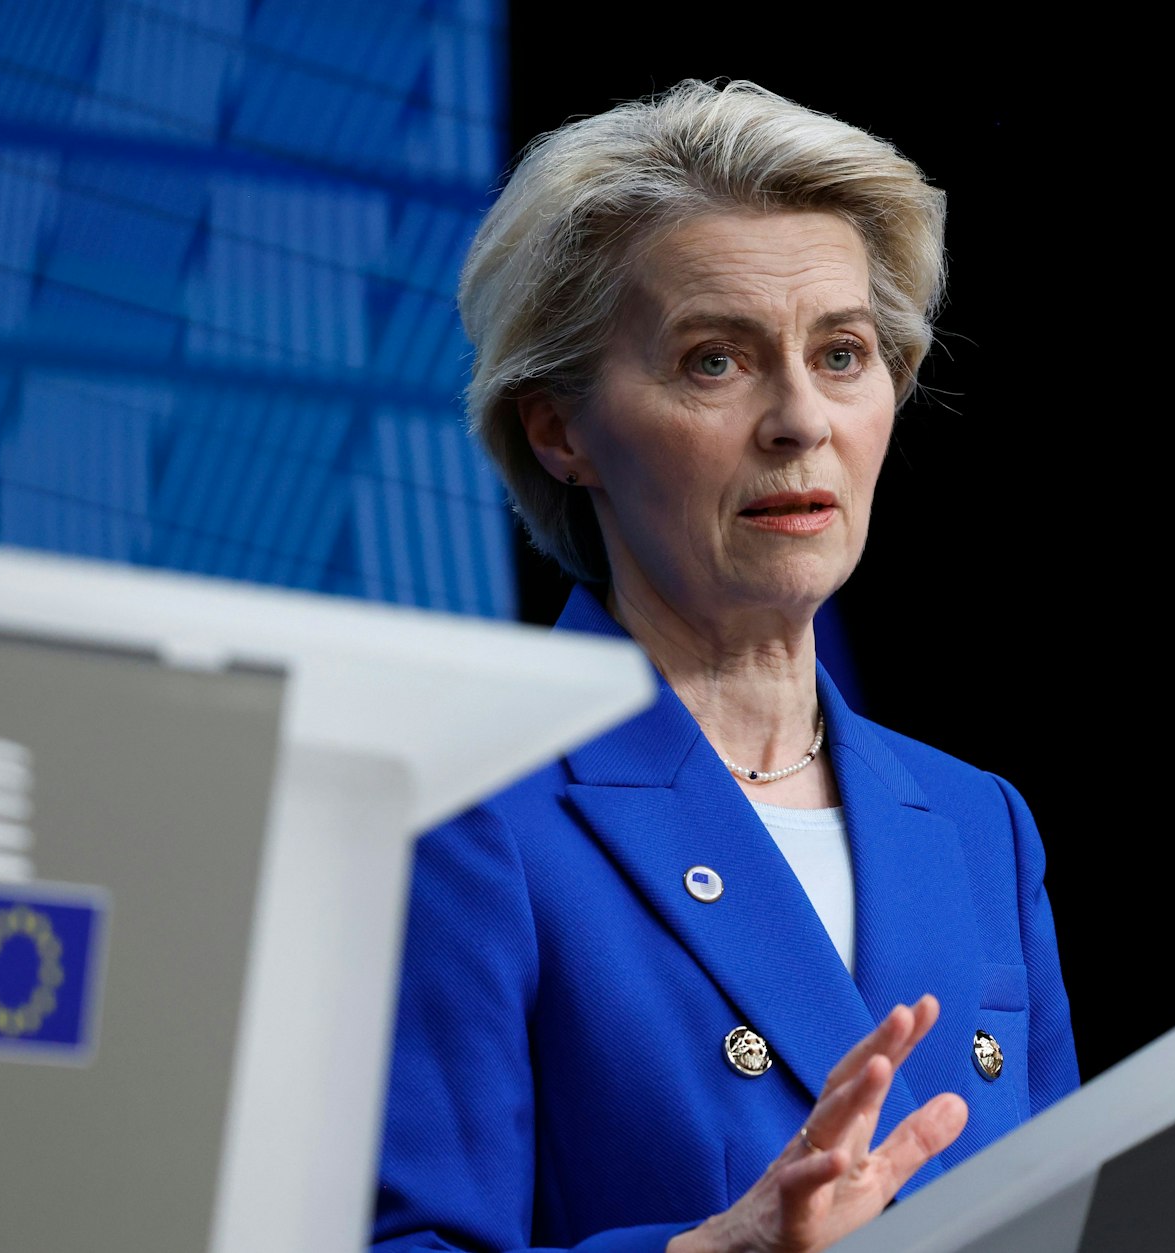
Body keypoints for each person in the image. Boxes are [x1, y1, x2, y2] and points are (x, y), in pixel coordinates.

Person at [372, 79, 1078, 1253]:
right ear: (559, 429)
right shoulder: (470, 807)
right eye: (715, 361)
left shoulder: (975, 824)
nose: (801, 418)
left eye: (842, 353)